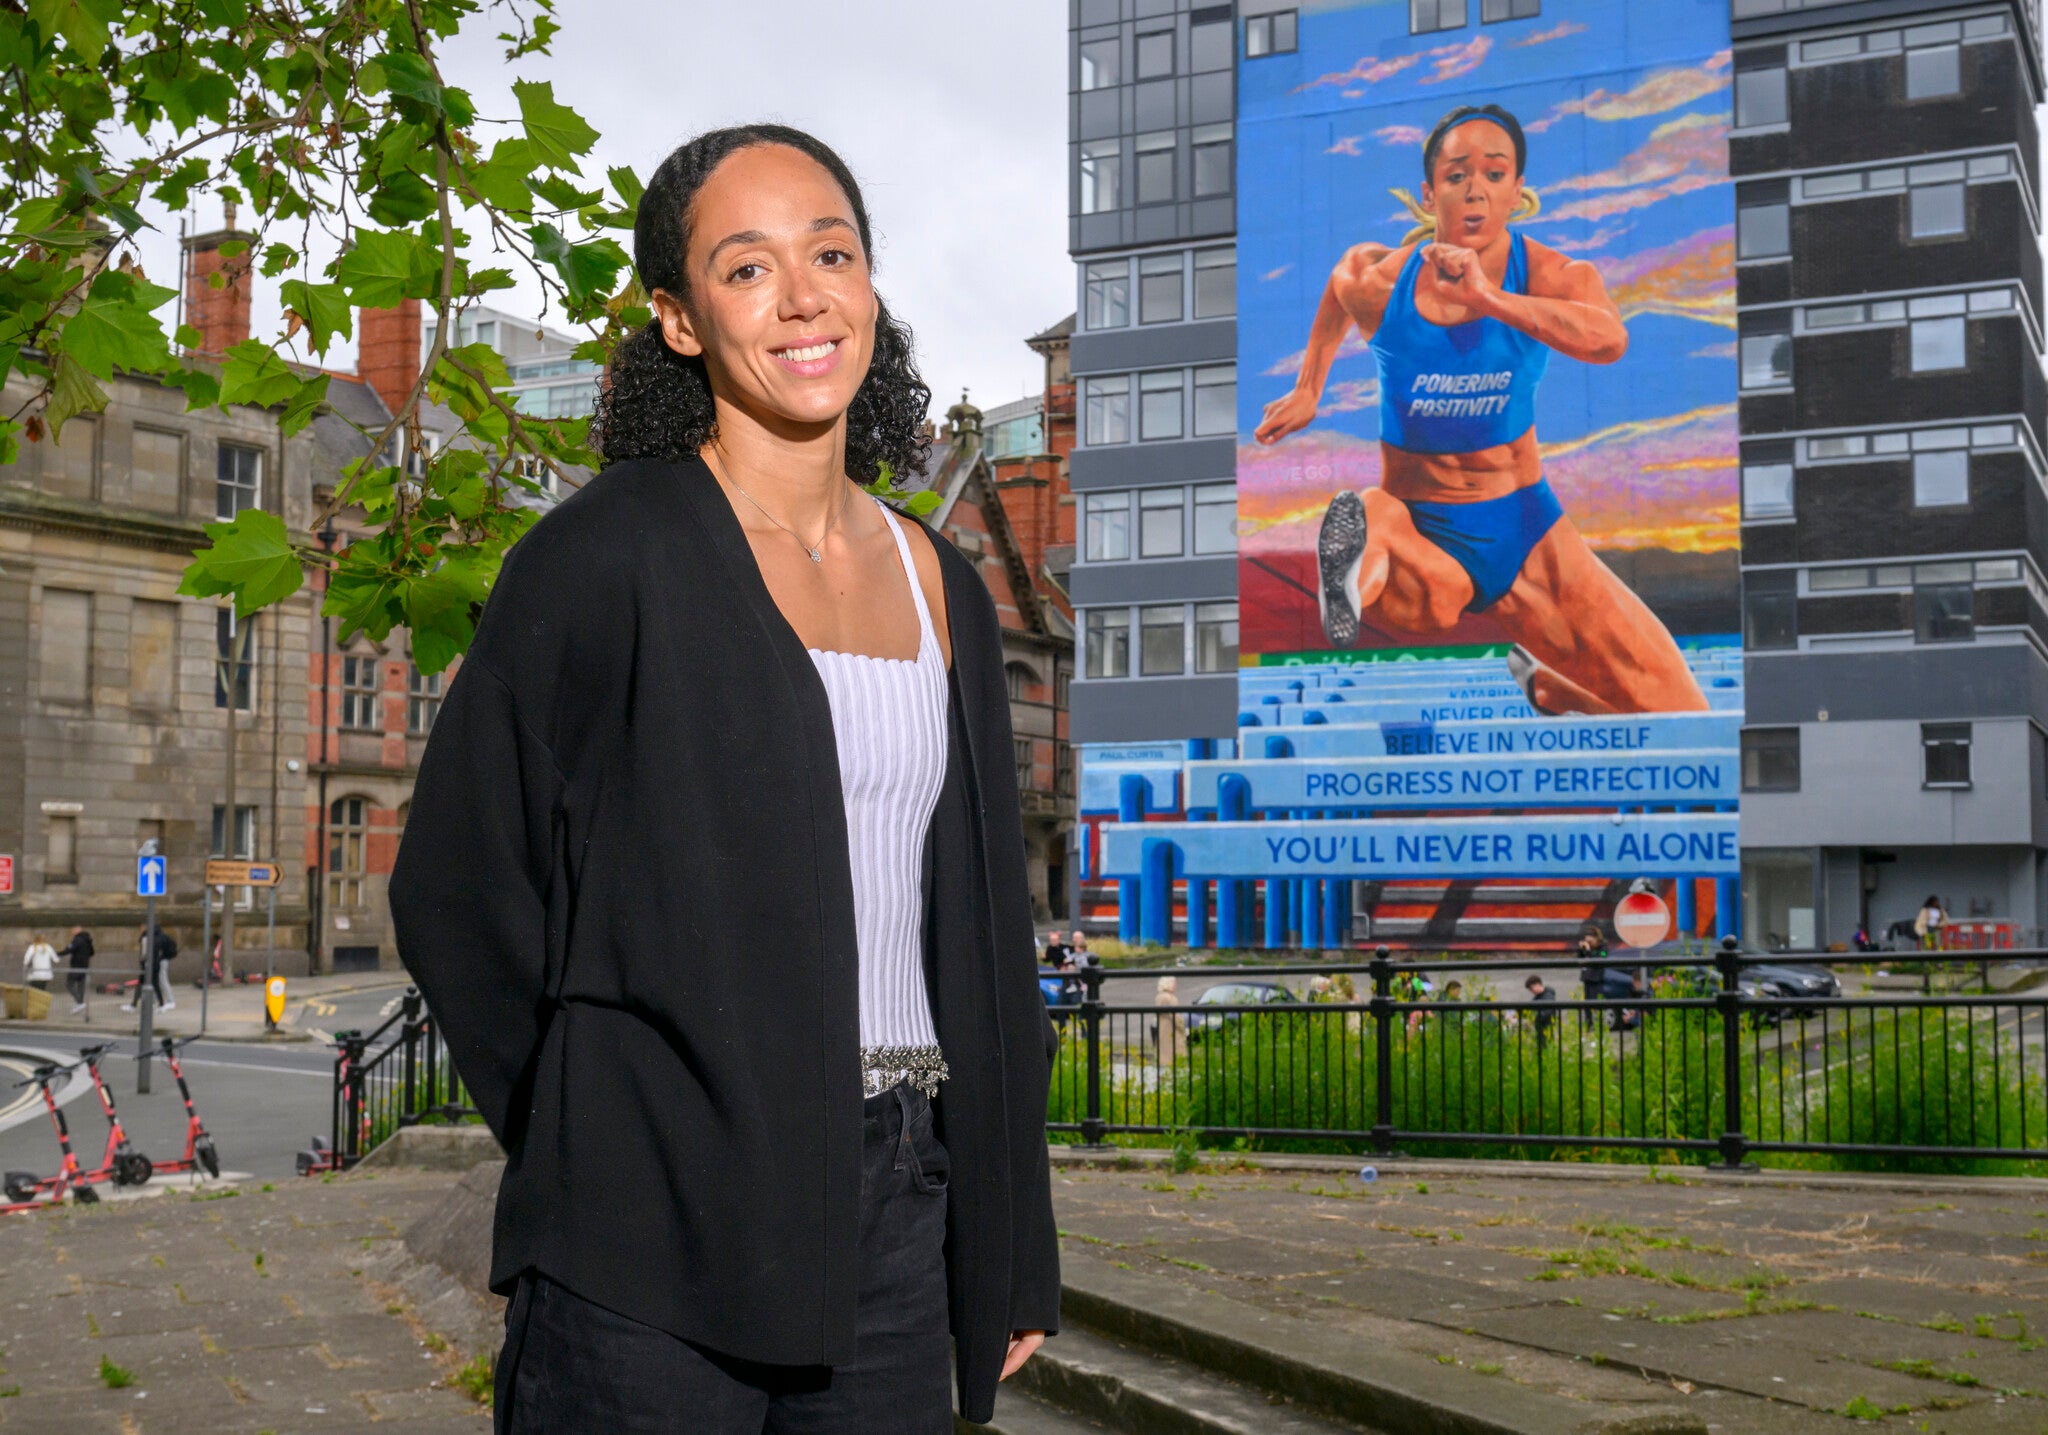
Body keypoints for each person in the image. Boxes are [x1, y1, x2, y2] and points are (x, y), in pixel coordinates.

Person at [387, 125, 1055, 1434]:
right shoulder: (602, 556)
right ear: (679, 319)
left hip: (898, 1214)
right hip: (648, 1235)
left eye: (832, 252)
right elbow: (459, 886)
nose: (803, 296)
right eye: (746, 268)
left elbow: (983, 935)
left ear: (868, 285)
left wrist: (1008, 1226)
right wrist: (598, 1131)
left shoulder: (946, 586)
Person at [1253, 104, 1706, 717]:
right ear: (1429, 192)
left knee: (1678, 710)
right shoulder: (1382, 284)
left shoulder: (1550, 273)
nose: (1476, 192)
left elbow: (1608, 339)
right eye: (1457, 175)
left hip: (1526, 526)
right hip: (1419, 524)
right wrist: (1310, 386)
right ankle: (1356, 571)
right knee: (1423, 581)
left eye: (1495, 175)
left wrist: (1491, 299)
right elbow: (1340, 284)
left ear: (1517, 192)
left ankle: (1554, 692)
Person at [125, 925, 177, 1012]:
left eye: (142, 927)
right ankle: (158, 1002)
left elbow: (148, 952)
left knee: (159, 981)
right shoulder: (157, 936)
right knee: (154, 982)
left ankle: (168, 1001)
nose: (140, 929)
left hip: (157, 961)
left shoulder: (151, 937)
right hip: (159, 961)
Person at [61, 926, 93, 1014]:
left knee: (69, 984)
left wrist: (57, 954)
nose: (71, 932)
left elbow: (69, 950)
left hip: (76, 966)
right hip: (85, 966)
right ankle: (79, 1004)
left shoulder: (77, 939)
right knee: (80, 985)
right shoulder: (88, 940)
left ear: (76, 931)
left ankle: (79, 1002)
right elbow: (92, 952)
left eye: (72, 931)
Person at [1524, 972, 1556, 1046]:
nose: (1531, 991)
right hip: (1541, 1029)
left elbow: (1547, 1012)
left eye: (1532, 988)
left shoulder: (1548, 996)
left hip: (1546, 1028)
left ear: (1537, 984)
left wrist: (1533, 1017)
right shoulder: (1538, 997)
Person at [20, 932, 56, 996]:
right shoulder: (48, 947)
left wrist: (26, 965)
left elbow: (26, 959)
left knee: (35, 988)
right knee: (42, 988)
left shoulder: (32, 947)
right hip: (46, 973)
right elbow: (56, 959)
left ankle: (36, 1000)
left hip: (36, 973)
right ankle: (41, 1000)